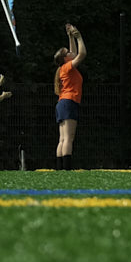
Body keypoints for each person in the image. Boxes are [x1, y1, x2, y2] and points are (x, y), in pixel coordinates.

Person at [53, 24, 86, 170]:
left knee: (62, 138)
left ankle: (60, 169)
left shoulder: (64, 68)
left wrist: (70, 36)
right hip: (69, 102)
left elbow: (73, 52)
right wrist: (79, 37)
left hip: (62, 103)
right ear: (65, 58)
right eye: (68, 53)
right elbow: (81, 54)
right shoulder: (68, 67)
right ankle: (66, 169)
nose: (71, 52)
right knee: (68, 138)